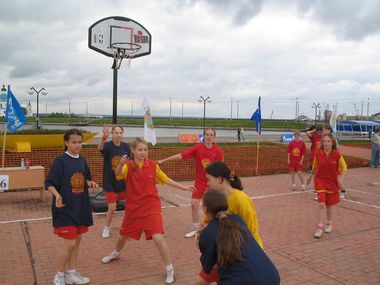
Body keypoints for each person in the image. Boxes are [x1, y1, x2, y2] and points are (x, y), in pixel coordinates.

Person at [101, 138, 194, 284]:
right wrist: (120, 164)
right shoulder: (128, 166)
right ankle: (116, 253)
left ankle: (170, 269)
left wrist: (183, 188)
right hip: (133, 208)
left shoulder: (152, 165)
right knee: (122, 236)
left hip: (151, 205)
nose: (143, 152)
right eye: (140, 150)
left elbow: (165, 179)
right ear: (133, 151)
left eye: (145, 149)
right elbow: (118, 174)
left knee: (158, 237)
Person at [45, 129, 99, 285]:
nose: (77, 145)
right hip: (65, 208)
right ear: (66, 143)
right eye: (74, 142)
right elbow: (49, 183)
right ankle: (59, 275)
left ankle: (71, 274)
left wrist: (89, 182)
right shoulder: (60, 161)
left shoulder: (82, 160)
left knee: (78, 240)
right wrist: (57, 195)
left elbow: (86, 178)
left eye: (79, 142)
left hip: (80, 207)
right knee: (70, 243)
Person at [198, 161, 263, 284]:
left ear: (219, 179)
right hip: (224, 251)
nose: (207, 184)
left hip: (243, 253)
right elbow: (208, 220)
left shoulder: (241, 200)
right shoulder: (217, 198)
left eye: (209, 180)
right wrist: (203, 228)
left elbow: (252, 232)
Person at [198, 189, 280, 285]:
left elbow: (208, 269)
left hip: (247, 281)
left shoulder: (207, 234)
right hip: (272, 276)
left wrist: (199, 243)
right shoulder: (238, 219)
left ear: (205, 209)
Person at [157, 128, 224, 238]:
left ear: (214, 137)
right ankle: (195, 228)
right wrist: (163, 160)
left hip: (212, 184)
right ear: (204, 136)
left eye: (211, 135)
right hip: (200, 182)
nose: (209, 137)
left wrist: (221, 184)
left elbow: (221, 169)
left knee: (212, 207)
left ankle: (215, 227)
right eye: (207, 134)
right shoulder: (198, 148)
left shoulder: (218, 151)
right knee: (194, 203)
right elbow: (181, 156)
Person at [307, 133, 347, 239]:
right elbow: (315, 166)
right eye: (324, 141)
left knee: (329, 205)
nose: (326, 143)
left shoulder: (337, 154)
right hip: (320, 181)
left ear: (332, 142)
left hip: (332, 182)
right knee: (321, 204)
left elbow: (344, 167)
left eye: (328, 141)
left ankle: (328, 223)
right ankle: (319, 228)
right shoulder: (318, 154)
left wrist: (341, 179)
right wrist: (310, 176)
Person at [98, 125, 132, 238]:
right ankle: (106, 228)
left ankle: (129, 225)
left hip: (122, 181)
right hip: (109, 181)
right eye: (116, 133)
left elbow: (131, 161)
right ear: (112, 134)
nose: (118, 135)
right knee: (112, 208)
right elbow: (100, 147)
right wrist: (104, 137)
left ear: (123, 134)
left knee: (131, 204)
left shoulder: (126, 146)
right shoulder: (108, 145)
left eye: (120, 133)